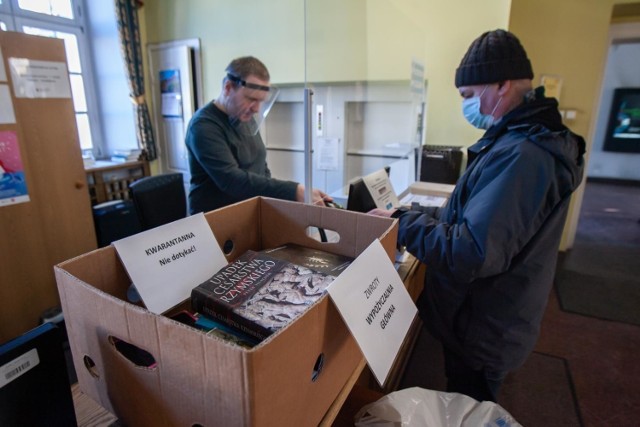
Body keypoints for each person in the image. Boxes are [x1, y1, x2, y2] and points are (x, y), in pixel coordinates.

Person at [370, 29, 586, 402]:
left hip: (485, 328)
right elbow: (467, 214)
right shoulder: (517, 139)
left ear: (502, 84)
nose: (466, 106)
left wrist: (404, 224)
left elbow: (472, 251)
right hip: (485, 318)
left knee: (471, 407)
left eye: (468, 96)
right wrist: (405, 212)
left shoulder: (524, 154)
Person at [185, 56, 330, 214]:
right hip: (214, 220)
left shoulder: (243, 116)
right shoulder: (203, 126)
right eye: (251, 99)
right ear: (228, 88)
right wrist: (294, 191)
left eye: (261, 101)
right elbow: (232, 180)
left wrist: (273, 202)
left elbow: (261, 166)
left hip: (246, 213)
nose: (256, 109)